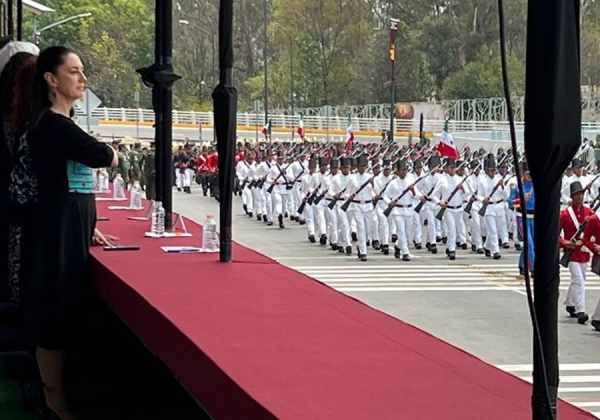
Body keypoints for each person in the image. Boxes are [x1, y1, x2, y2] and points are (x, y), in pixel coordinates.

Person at [24, 46, 118, 420]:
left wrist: (89, 227)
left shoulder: (63, 125)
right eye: (74, 72)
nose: (82, 79)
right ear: (51, 79)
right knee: (54, 314)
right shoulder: (53, 124)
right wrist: (110, 151)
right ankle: (55, 401)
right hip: (55, 233)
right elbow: (104, 156)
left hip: (72, 229)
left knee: (63, 311)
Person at [559, 181, 592, 326]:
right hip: (571, 253)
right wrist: (564, 242)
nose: (579, 197)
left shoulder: (588, 212)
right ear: (572, 196)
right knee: (578, 279)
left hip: (584, 252)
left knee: (578, 281)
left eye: (581, 194)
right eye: (577, 194)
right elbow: (554, 232)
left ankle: (570, 304)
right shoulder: (565, 214)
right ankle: (581, 311)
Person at [508, 161, 535, 276]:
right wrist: (521, 200)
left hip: (534, 218)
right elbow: (510, 204)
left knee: (532, 244)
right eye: (528, 174)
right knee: (528, 242)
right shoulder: (517, 187)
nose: (530, 176)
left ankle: (522, 264)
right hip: (522, 217)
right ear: (523, 174)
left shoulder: (536, 186)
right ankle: (534, 268)